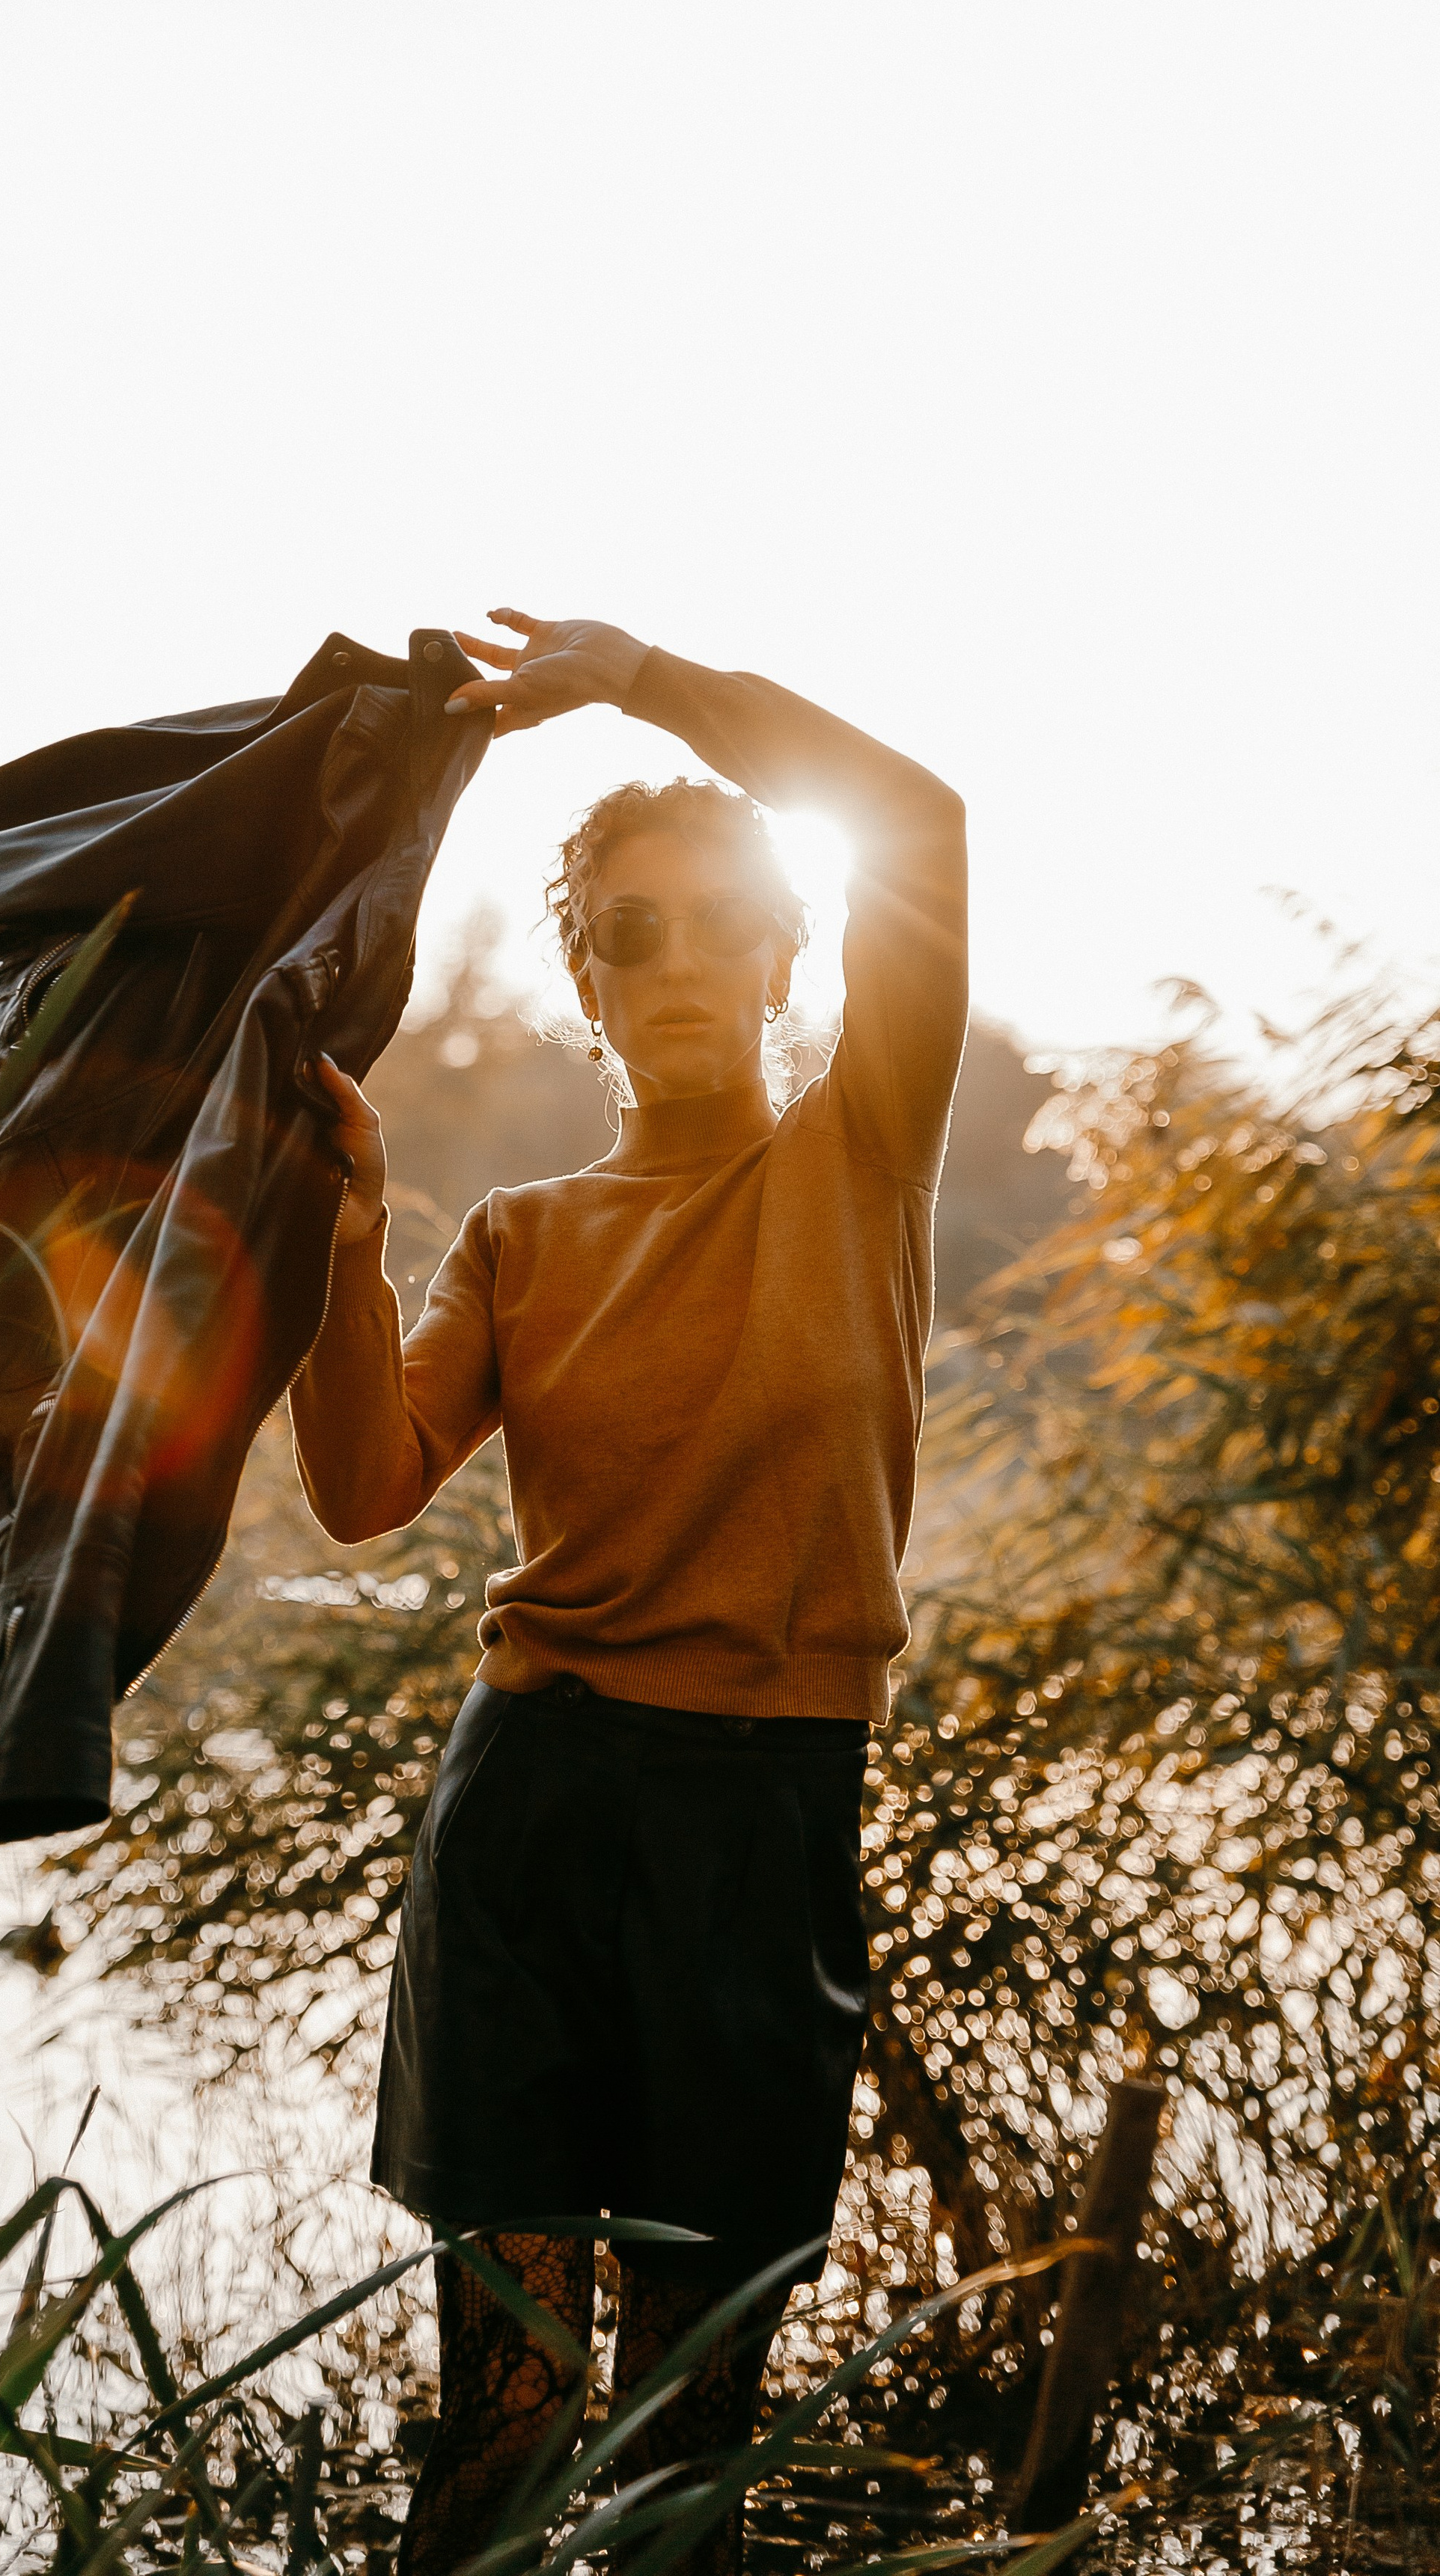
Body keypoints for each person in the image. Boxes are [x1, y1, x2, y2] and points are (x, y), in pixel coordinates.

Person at [293, 610, 968, 2576]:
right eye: (627, 933)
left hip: (763, 1824)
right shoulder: (520, 1237)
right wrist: (346, 1236)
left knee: (691, 2458)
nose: (673, 962)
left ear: (786, 952)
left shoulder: (863, 1161)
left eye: (711, 921)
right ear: (585, 981)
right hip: (532, 1817)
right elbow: (361, 1490)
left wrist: (640, 676)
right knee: (503, 2437)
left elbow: (921, 817)